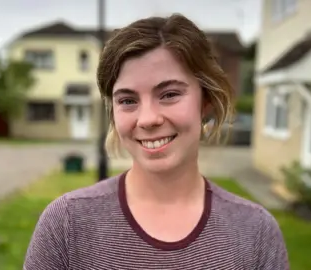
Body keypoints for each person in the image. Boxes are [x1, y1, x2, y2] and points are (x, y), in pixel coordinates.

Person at [23, 13, 290, 270]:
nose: (148, 119)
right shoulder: (66, 225)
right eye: (128, 101)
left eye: (170, 94)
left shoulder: (255, 233)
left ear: (205, 101)